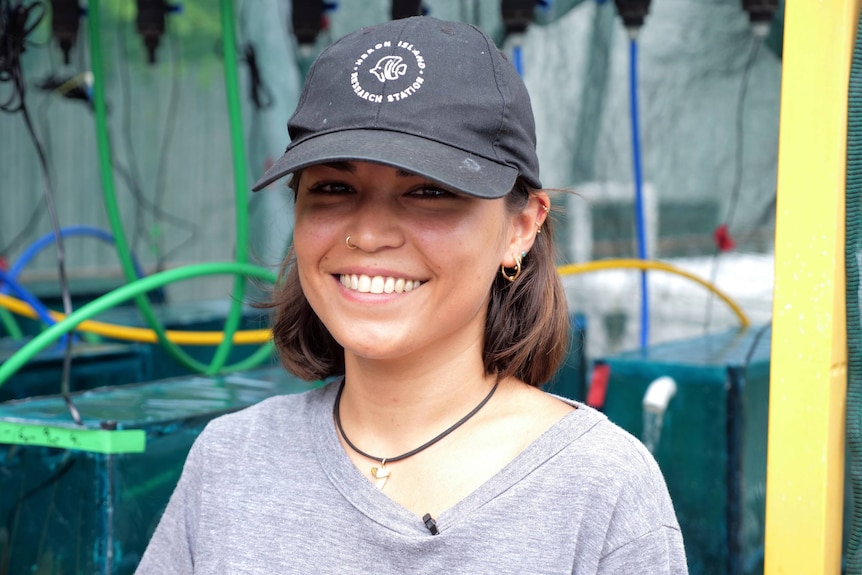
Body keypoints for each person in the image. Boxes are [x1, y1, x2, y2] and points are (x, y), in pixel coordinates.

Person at [135, 16, 687, 574]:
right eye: (333, 187)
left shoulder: (601, 488)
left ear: (521, 227)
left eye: (428, 191)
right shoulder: (231, 461)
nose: (370, 235)